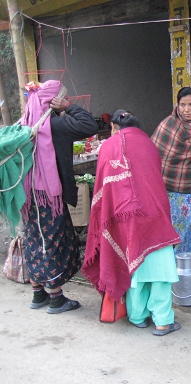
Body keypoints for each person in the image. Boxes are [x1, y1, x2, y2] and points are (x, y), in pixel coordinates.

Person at [83, 110, 181, 336]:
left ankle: (137, 317)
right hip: (154, 213)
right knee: (161, 271)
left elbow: (102, 188)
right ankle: (163, 321)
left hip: (122, 214)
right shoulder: (148, 144)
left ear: (114, 128)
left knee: (134, 265)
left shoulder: (108, 146)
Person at [21, 80, 98, 313]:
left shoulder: (25, 124)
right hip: (49, 196)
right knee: (52, 240)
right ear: (52, 101)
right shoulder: (55, 125)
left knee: (34, 238)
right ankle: (56, 297)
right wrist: (68, 106)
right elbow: (89, 126)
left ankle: (38, 293)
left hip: (27, 194)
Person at [151, 86, 191, 271]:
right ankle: (169, 271)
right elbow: (152, 155)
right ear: (177, 106)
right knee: (171, 235)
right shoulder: (168, 125)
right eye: (182, 105)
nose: (186, 109)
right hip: (169, 194)